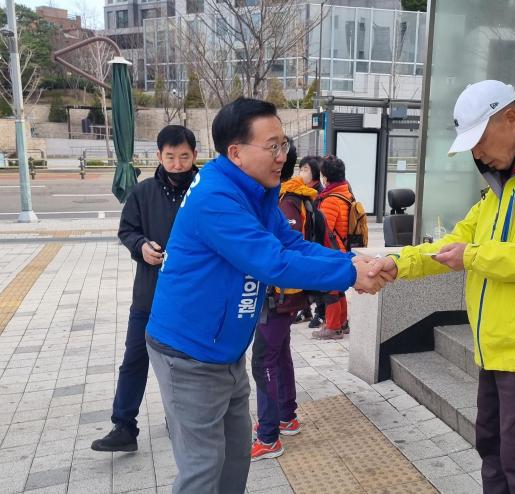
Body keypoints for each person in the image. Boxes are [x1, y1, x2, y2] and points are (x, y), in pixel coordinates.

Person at [367, 80, 515, 493]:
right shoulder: (502, 183)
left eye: (479, 139)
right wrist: (395, 262)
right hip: (496, 344)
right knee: (491, 447)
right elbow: (450, 245)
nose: (476, 152)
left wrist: (474, 256)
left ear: (511, 119)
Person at [145, 98, 386, 494]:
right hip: (188, 355)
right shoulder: (217, 199)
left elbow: (289, 242)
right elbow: (272, 262)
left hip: (224, 351)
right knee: (203, 468)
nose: (282, 156)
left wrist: (352, 260)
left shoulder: (255, 191)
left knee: (236, 456)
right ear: (236, 153)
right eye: (272, 146)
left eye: (284, 144)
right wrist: (349, 273)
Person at [91, 125, 199, 452]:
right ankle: (124, 426)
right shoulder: (142, 192)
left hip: (192, 298)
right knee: (134, 359)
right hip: (149, 295)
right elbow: (127, 230)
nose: (178, 163)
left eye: (184, 156)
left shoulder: (205, 191)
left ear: (195, 155)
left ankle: (186, 421)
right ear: (159, 156)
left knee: (189, 364)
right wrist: (141, 247)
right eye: (171, 157)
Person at [250, 139, 312, 461]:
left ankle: (269, 435)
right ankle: (287, 416)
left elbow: (282, 253)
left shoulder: (283, 204)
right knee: (280, 355)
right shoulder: (288, 199)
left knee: (264, 362)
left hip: (277, 298)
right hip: (286, 298)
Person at [313, 155, 353, 340]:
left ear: (325, 177)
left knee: (331, 289)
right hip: (343, 249)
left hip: (332, 251)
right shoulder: (346, 193)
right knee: (339, 288)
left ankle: (333, 326)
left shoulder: (330, 199)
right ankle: (343, 323)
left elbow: (325, 230)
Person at [294, 154, 326, 328]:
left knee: (316, 279)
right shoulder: (301, 191)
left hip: (315, 243)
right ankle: (305, 310)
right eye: (300, 168)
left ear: (315, 173)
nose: (301, 172)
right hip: (305, 241)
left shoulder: (318, 194)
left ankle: (320, 312)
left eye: (305, 169)